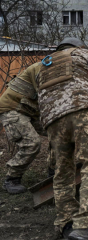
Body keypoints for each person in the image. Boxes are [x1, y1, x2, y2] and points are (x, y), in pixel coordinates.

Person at [35, 37, 88, 239]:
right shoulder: (81, 53)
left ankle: (66, 226)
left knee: (62, 172)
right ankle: (86, 225)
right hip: (82, 110)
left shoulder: (43, 65)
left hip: (52, 120)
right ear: (78, 46)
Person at [0, 62, 53, 194]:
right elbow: (47, 93)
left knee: (58, 132)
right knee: (31, 143)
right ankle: (12, 179)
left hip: (30, 110)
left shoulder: (59, 67)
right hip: (13, 109)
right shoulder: (44, 66)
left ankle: (54, 170)